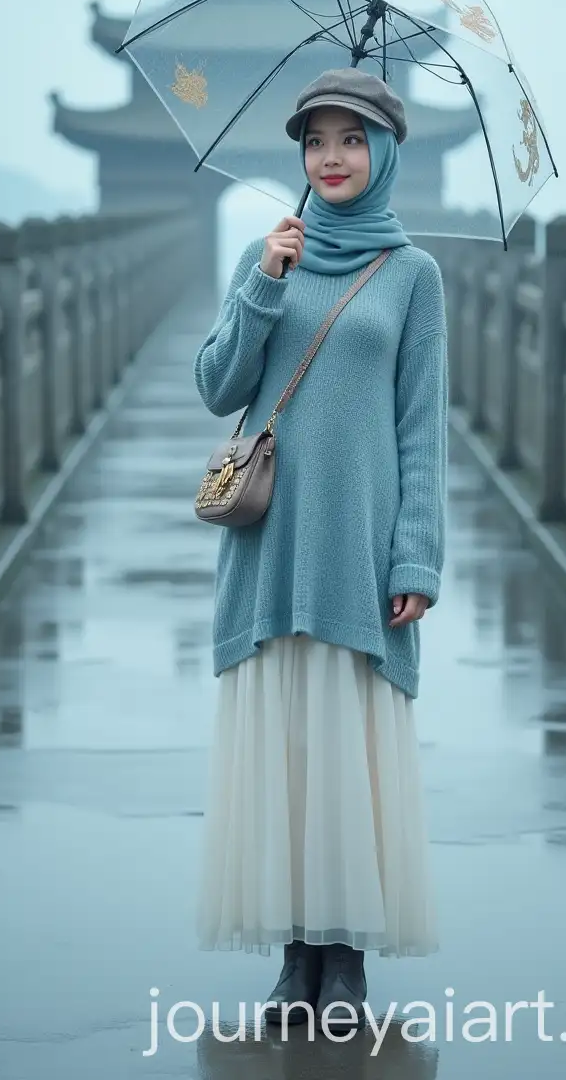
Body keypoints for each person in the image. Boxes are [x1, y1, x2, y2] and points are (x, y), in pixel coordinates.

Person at [193, 67, 447, 1026]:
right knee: (287, 753)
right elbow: (219, 386)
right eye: (315, 141)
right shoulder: (271, 258)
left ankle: (346, 963)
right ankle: (295, 958)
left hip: (360, 550)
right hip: (270, 544)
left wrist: (416, 555)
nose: (330, 158)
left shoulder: (415, 276)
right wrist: (266, 281)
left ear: (382, 155)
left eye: (350, 139)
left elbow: (421, 427)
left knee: (350, 755)